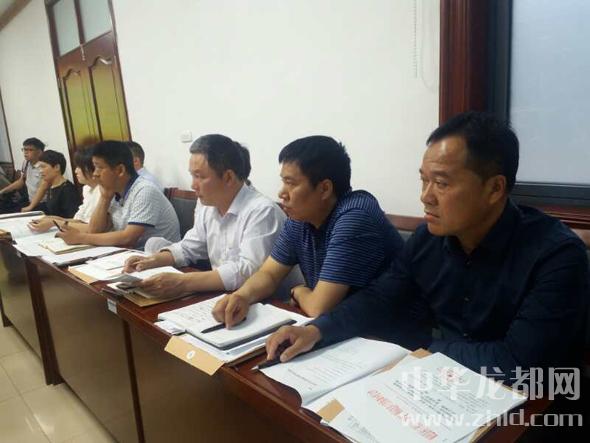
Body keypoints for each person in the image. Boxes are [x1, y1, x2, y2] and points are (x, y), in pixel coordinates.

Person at [265, 112, 589, 384]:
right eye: (424, 180)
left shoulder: (556, 256)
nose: (425, 196)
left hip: (533, 408)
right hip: (446, 380)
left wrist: (421, 346)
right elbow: (379, 298)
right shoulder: (429, 239)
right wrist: (317, 330)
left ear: (494, 188)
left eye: (442, 183)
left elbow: (519, 363)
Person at [212, 135, 404, 323]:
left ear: (325, 189)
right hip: (341, 327)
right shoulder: (300, 218)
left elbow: (318, 307)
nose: (281, 193)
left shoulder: (355, 217)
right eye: (283, 182)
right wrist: (242, 296)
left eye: (291, 183)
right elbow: (269, 274)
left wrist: (299, 291)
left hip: (389, 332)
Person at [123, 134, 301, 297]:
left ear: (228, 177)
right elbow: (189, 246)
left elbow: (247, 271)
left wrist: (184, 282)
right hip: (225, 296)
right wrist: (153, 260)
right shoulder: (208, 205)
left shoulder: (262, 211)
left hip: (269, 303)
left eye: (199, 177)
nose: (193, 185)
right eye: (192, 176)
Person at [56, 140, 180, 248]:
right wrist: (105, 198)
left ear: (120, 170)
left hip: (157, 258)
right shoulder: (113, 191)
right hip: (129, 255)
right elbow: (95, 230)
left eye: (99, 167)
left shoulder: (144, 190)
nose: (95, 174)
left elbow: (128, 238)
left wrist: (80, 237)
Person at [28, 146, 101, 232]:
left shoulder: (69, 190)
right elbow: (79, 220)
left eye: (79, 167)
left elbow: (93, 228)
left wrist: (54, 222)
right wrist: (51, 219)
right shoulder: (87, 189)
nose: (76, 171)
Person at [0, 137, 49, 213]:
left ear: (39, 152)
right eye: (24, 149)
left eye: (30, 150)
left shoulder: (45, 166)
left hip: (42, 203)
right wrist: (3, 191)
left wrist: (30, 207)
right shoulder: (26, 163)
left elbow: (43, 188)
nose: (25, 152)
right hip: (29, 200)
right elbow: (21, 181)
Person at [32, 150, 80, 218]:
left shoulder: (68, 190)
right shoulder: (52, 186)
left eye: (43, 167)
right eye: (39, 167)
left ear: (57, 167)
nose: (40, 171)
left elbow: (73, 218)